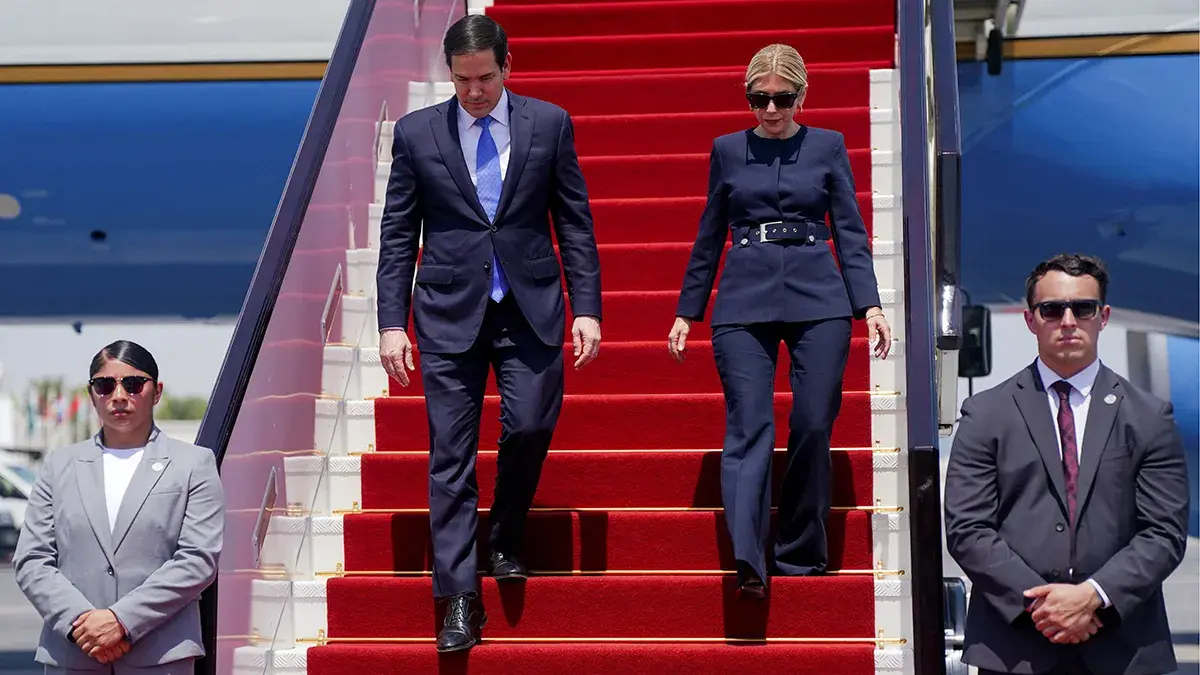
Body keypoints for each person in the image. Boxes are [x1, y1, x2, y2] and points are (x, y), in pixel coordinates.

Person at [375, 14, 602, 652]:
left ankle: (504, 530)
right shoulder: (417, 133)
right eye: (461, 80)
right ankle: (457, 598)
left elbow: (574, 221)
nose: (473, 91)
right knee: (450, 455)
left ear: (507, 66)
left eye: (484, 78)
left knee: (529, 424)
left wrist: (587, 307)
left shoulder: (549, 124)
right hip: (447, 311)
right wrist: (391, 322)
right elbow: (398, 234)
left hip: (529, 304)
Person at [667, 43, 892, 599]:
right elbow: (709, 232)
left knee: (813, 422)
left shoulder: (827, 145)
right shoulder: (727, 149)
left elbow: (850, 230)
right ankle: (749, 558)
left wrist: (870, 305)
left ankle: (800, 551)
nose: (770, 109)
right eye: (759, 98)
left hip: (820, 295)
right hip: (744, 297)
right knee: (750, 424)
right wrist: (688, 310)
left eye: (782, 99)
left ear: (802, 96)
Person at [944, 253, 1190, 675]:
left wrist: (1094, 595)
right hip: (1015, 648)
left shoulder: (1149, 416)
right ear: (1031, 320)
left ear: (1103, 317)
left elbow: (1164, 532)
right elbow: (967, 528)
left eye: (1083, 308)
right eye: (1053, 309)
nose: (1069, 321)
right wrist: (1042, 605)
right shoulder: (985, 414)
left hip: (1122, 647)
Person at [14, 340, 225, 674]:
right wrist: (81, 624)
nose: (119, 395)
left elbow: (198, 560)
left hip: (160, 655)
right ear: (92, 394)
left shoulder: (193, 464)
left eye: (133, 384)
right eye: (105, 385)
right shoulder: (59, 465)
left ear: (157, 392)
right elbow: (32, 559)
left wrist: (122, 621)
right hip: (74, 653)